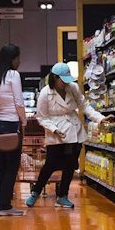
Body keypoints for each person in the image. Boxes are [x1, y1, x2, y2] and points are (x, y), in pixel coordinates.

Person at [28, 62, 102, 209]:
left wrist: (99, 118)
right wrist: (54, 129)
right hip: (55, 133)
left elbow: (84, 106)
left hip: (74, 130)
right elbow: (41, 117)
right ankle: (35, 192)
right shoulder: (45, 93)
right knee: (50, 164)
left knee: (70, 165)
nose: (65, 83)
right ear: (55, 78)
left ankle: (63, 196)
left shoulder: (73, 87)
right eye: (62, 80)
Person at [0, 45, 26, 216]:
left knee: (2, 165)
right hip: (11, 124)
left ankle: (1, 203)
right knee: (12, 166)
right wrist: (23, 121)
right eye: (18, 58)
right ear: (12, 59)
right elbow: (18, 101)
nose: (20, 61)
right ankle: (5, 205)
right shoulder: (14, 75)